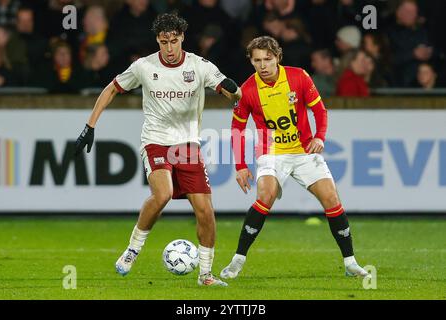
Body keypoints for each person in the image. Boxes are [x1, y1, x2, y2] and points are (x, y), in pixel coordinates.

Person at [74, 13, 241, 287]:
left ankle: (206, 275)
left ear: (182, 38)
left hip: (188, 145)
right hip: (156, 141)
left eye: (174, 41)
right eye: (164, 42)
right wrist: (89, 126)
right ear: (157, 40)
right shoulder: (143, 66)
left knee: (206, 211)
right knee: (161, 194)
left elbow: (231, 91)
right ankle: (132, 251)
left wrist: (233, 94)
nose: (170, 48)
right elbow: (111, 89)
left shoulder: (200, 66)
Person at [220, 36, 369, 280]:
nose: (262, 65)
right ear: (251, 61)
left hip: (303, 151)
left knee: (332, 199)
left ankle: (350, 263)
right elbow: (237, 129)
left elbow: (319, 110)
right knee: (265, 196)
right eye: (257, 60)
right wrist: (240, 166)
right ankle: (238, 260)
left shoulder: (299, 77)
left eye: (267, 59)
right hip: (271, 152)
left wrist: (319, 137)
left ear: (277, 57)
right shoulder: (247, 90)